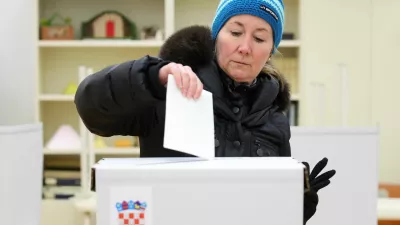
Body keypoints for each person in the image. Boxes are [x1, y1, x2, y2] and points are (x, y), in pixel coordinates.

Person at [74, 0, 336, 223]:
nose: (245, 47)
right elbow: (91, 108)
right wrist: (152, 77)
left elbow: (267, 214)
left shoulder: (275, 120)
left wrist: (296, 206)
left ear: (270, 50)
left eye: (259, 38)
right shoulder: (171, 93)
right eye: (235, 32)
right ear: (216, 36)